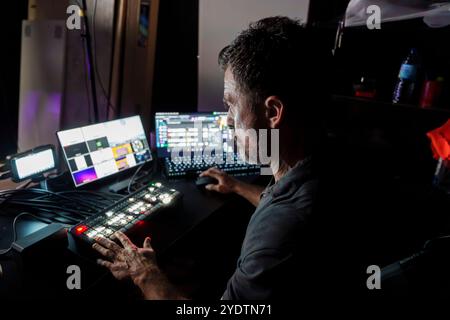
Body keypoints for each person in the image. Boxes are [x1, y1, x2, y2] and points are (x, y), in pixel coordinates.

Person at [92, 16, 331, 300]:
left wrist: (146, 275)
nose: (228, 120)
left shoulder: (279, 230)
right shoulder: (319, 165)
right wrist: (238, 186)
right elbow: (281, 199)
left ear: (273, 112)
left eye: (231, 103)